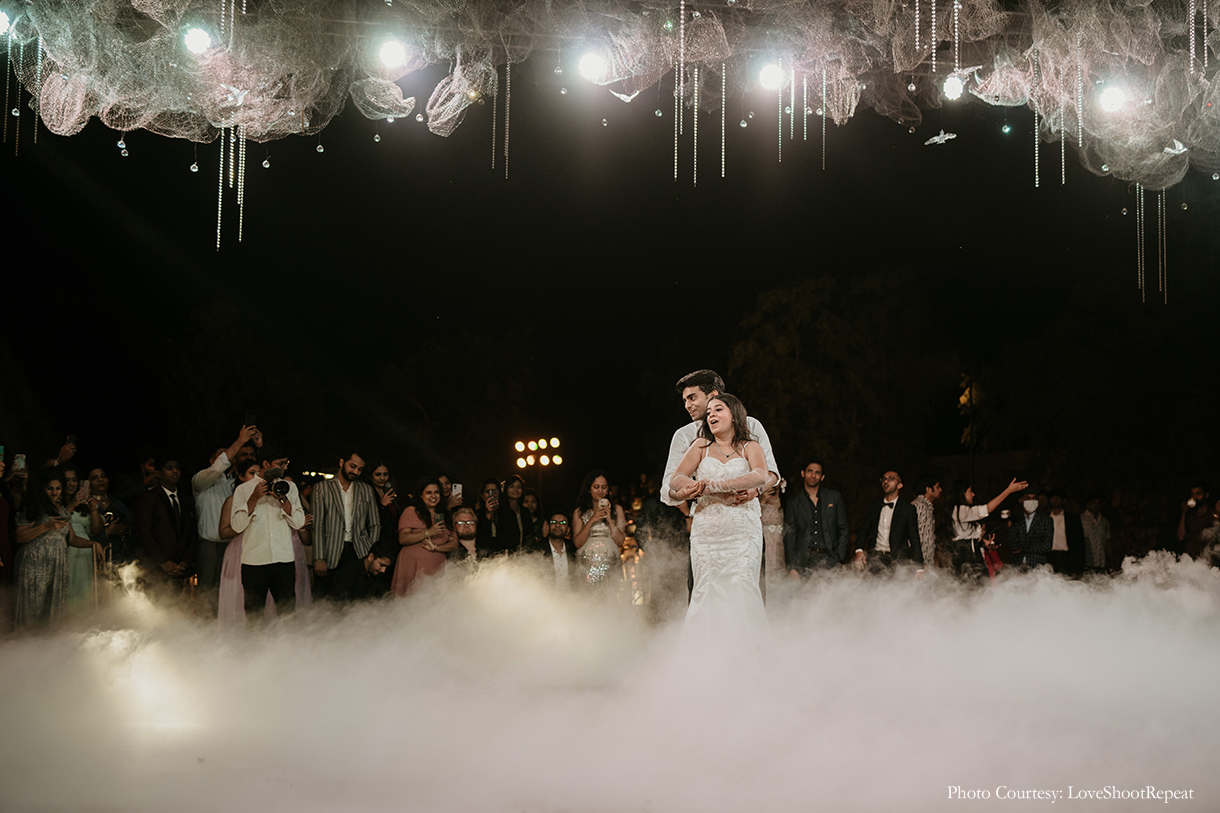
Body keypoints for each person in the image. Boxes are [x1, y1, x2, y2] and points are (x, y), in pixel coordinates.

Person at [668, 393, 774, 652]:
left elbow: (761, 475)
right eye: (709, 413)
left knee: (743, 586)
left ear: (734, 415)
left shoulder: (751, 447)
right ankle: (705, 657)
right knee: (705, 589)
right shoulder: (700, 446)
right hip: (707, 534)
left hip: (742, 532)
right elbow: (676, 479)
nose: (711, 415)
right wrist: (696, 489)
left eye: (718, 410)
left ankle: (748, 656)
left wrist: (715, 485)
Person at [662, 370, 779, 524]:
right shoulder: (684, 435)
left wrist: (757, 490)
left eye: (692, 398)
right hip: (706, 518)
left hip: (745, 518)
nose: (687, 405)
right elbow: (668, 485)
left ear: (713, 395)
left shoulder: (750, 425)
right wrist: (680, 495)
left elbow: (772, 473)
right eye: (684, 401)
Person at [217, 459, 312, 624]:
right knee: (254, 617)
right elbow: (237, 527)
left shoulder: (289, 487)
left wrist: (283, 500)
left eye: (286, 463)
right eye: (280, 463)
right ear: (266, 464)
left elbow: (298, 523)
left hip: (284, 560)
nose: (284, 467)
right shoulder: (244, 489)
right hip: (253, 561)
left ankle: (288, 642)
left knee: (288, 615)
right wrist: (254, 498)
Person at [13, 468, 99, 628]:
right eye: (50, 488)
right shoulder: (33, 505)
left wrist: (93, 544)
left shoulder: (60, 507)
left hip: (57, 564)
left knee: (52, 610)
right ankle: (27, 641)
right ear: (41, 487)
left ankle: (49, 642)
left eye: (58, 488)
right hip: (35, 564)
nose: (54, 492)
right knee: (34, 608)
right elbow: (20, 536)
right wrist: (45, 526)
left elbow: (71, 538)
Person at [192, 425, 259, 593]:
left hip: (237, 545)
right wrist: (240, 440)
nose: (228, 457)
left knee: (233, 593)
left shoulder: (238, 483)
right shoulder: (200, 481)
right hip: (211, 547)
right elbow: (218, 467)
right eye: (222, 455)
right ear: (211, 460)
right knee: (207, 594)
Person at [310, 449, 381, 599]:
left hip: (359, 551)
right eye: (353, 466)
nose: (356, 472)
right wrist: (319, 557)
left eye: (360, 469)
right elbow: (318, 525)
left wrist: (370, 549)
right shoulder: (321, 488)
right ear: (342, 462)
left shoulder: (366, 490)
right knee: (324, 599)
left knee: (353, 600)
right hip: (329, 551)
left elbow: (375, 524)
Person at [134, 456, 197, 595]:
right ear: (158, 473)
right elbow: (144, 533)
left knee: (181, 605)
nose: (175, 471)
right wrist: (163, 562)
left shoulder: (186, 499)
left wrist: (186, 562)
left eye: (177, 468)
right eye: (169, 468)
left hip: (181, 567)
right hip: (156, 567)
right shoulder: (148, 498)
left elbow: (192, 533)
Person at [946, 477, 1028, 576]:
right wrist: (1008, 491)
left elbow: (966, 535)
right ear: (962, 494)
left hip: (969, 554)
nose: (973, 494)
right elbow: (988, 509)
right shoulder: (960, 510)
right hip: (966, 557)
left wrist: (983, 542)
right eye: (970, 491)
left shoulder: (960, 511)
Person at [393, 477, 456, 596]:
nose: (433, 496)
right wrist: (429, 532)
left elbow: (454, 543)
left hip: (437, 565)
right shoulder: (411, 511)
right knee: (408, 602)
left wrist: (436, 548)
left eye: (436, 492)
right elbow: (403, 539)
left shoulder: (446, 515)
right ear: (421, 495)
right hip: (411, 566)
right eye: (428, 492)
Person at [855, 470, 923, 573]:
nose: (886, 481)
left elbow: (914, 539)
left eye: (890, 478)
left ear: (899, 485)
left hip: (898, 561)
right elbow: (863, 530)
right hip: (875, 559)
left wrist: (919, 568)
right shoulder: (874, 506)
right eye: (884, 479)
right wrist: (859, 551)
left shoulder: (908, 509)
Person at [571, 470, 627, 589]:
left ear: (608, 489)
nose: (600, 491)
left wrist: (609, 520)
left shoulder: (617, 510)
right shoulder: (579, 512)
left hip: (611, 563)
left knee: (611, 595)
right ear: (589, 489)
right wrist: (592, 519)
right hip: (587, 565)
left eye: (603, 487)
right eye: (596, 487)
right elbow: (577, 543)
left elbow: (620, 541)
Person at [86, 468, 134, 564]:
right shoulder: (86, 506)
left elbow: (132, 524)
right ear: (88, 483)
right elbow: (82, 536)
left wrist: (126, 529)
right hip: (97, 559)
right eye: (95, 478)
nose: (100, 480)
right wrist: (108, 532)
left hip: (121, 557)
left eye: (103, 476)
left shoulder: (116, 503)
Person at [1007, 486, 1054, 568]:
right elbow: (1014, 547)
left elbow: (1047, 546)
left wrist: (1024, 549)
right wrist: (1009, 527)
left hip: (1038, 565)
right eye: (1028, 498)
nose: (1031, 501)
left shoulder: (1046, 520)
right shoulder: (1016, 520)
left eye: (1034, 498)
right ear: (1021, 501)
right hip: (1017, 565)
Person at [1046, 488, 1084, 576]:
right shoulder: (1044, 518)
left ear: (1064, 500)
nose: (1055, 500)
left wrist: (1076, 568)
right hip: (1049, 557)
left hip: (1066, 558)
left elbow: (1079, 543)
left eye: (1058, 498)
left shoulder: (1072, 519)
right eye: (1053, 498)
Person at [1177, 481, 1215, 559]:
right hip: (1189, 557)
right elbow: (1181, 537)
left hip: (1206, 558)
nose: (1194, 497)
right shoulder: (1189, 514)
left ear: (1206, 495)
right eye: (1192, 494)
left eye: (1198, 494)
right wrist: (1183, 513)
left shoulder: (1213, 514)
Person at [911, 474, 941, 570]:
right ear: (928, 489)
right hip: (920, 565)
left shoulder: (926, 506)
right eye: (937, 487)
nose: (940, 490)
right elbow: (916, 536)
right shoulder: (920, 506)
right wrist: (920, 562)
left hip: (924, 564)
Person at [541, 510, 577, 588]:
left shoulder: (573, 548)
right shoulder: (537, 549)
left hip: (571, 594)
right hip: (545, 593)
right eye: (554, 522)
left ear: (568, 530)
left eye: (563, 523)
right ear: (548, 527)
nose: (558, 525)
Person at [1081, 494, 1111, 573]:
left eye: (1098, 503)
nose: (1096, 506)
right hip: (1086, 562)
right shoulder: (1081, 519)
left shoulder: (1104, 521)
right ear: (1088, 504)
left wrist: (1110, 558)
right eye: (1094, 503)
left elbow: (1107, 541)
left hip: (1101, 562)